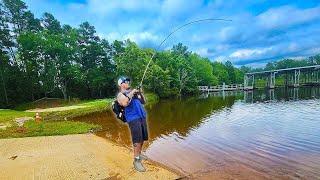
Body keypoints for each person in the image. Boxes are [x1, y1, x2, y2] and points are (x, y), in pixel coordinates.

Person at [116, 76, 148, 172]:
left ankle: (139, 154)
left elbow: (144, 101)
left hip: (142, 116)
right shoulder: (120, 95)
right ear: (121, 84)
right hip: (133, 119)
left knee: (142, 138)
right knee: (137, 140)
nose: (128, 82)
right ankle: (136, 160)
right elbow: (125, 103)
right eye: (126, 81)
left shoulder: (133, 93)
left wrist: (140, 92)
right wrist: (133, 92)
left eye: (129, 81)